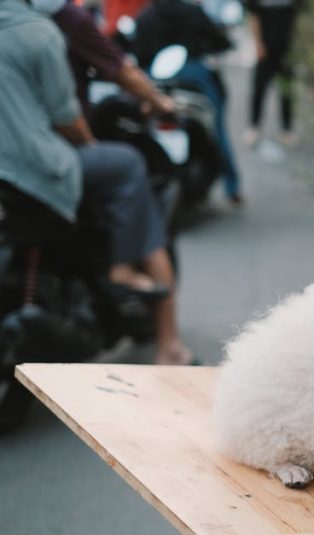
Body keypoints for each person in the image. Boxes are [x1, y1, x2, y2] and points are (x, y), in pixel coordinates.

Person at [1, 0, 191, 365]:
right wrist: (91, 145)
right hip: (38, 167)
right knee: (125, 164)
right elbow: (68, 118)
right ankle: (152, 316)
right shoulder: (46, 31)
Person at [134, 0, 243, 204]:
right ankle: (232, 187)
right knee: (217, 129)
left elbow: (139, 55)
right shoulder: (193, 13)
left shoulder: (145, 16)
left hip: (155, 84)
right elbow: (219, 41)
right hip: (194, 78)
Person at [244, 0, 300, 147]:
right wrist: (258, 44)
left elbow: (299, 17)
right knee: (259, 88)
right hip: (266, 48)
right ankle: (254, 127)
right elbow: (253, 16)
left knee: (286, 91)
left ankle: (286, 129)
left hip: (287, 50)